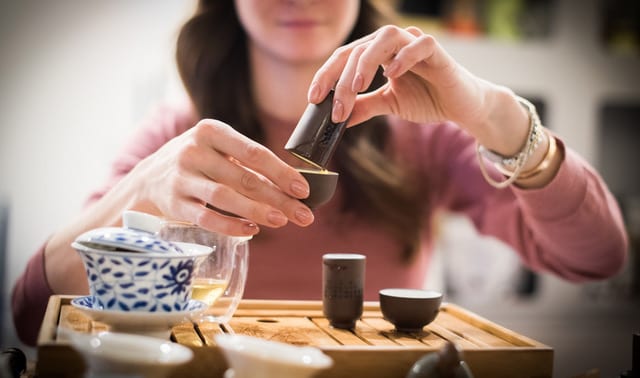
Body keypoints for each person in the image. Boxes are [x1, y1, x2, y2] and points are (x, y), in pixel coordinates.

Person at [12, 0, 627, 346]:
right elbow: (32, 311)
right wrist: (141, 188)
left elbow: (597, 256)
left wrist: (496, 114)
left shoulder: (425, 137)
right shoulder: (175, 138)